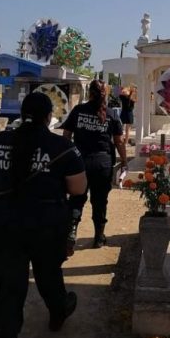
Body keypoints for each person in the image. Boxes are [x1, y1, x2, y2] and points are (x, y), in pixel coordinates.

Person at [0, 92, 87, 338]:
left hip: (5, 222)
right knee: (48, 274)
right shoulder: (62, 147)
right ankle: (58, 311)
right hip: (46, 224)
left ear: (22, 113)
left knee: (8, 290)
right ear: (49, 116)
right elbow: (77, 189)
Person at [61, 80, 127, 247]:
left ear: (89, 93)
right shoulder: (112, 114)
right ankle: (99, 237)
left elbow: (66, 135)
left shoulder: (78, 111)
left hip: (79, 163)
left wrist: (66, 158)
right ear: (106, 94)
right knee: (99, 201)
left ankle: (72, 231)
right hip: (102, 164)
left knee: (77, 198)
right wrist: (125, 160)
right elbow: (119, 142)